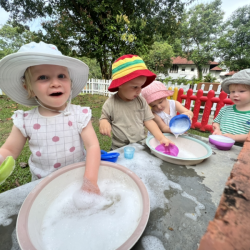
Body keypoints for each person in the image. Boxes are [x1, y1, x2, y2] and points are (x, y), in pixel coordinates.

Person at [0, 41, 100, 193]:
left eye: (61, 76)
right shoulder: (25, 121)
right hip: (43, 187)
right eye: (43, 77)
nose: (55, 83)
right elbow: (9, 150)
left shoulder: (80, 115)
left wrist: (90, 180)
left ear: (70, 83)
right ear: (29, 88)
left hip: (77, 180)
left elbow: (92, 146)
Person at [99, 54, 174, 149]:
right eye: (135, 87)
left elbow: (149, 121)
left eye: (141, 86)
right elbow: (104, 117)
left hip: (139, 145)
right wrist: (104, 122)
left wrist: (161, 138)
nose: (139, 91)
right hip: (119, 148)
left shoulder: (141, 101)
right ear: (120, 84)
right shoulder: (111, 103)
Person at [213, 69, 250, 144]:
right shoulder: (225, 109)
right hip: (221, 142)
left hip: (242, 149)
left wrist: (235, 138)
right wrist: (217, 129)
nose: (235, 94)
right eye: (232, 92)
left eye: (241, 91)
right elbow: (216, 122)